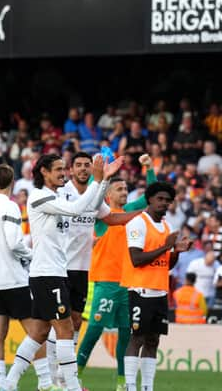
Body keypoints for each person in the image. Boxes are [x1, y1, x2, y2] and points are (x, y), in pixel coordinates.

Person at [3, 153, 122, 391]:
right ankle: (71, 386)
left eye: (62, 169)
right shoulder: (40, 197)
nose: (63, 173)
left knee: (38, 332)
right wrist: (98, 181)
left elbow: (87, 205)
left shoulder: (53, 196)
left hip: (50, 273)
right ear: (44, 172)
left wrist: (104, 180)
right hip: (49, 274)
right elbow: (78, 208)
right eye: (57, 169)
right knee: (66, 329)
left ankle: (8, 385)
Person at [48, 152, 140, 387]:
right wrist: (102, 182)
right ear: (71, 170)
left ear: (91, 169)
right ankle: (52, 376)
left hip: (82, 269)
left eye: (86, 165)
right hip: (59, 266)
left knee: (76, 322)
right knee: (57, 324)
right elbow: (80, 208)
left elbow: (112, 219)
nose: (82, 169)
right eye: (78, 165)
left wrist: (143, 215)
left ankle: (62, 376)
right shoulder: (62, 193)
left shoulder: (95, 198)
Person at [0, 164, 65, 391]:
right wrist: (33, 256)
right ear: (12, 182)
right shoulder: (11, 206)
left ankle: (1, 385)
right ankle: (45, 383)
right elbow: (14, 242)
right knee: (36, 332)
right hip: (13, 278)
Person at [77, 154, 157, 391]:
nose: (125, 192)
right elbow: (93, 196)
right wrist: (102, 174)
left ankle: (123, 382)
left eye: (126, 188)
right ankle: (74, 377)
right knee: (94, 329)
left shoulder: (130, 210)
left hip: (127, 284)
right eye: (120, 188)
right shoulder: (101, 215)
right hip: (104, 282)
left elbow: (150, 196)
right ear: (109, 194)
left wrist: (149, 168)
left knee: (126, 334)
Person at [121, 182, 193, 391]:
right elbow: (136, 259)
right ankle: (130, 386)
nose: (164, 203)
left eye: (167, 200)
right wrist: (166, 247)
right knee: (137, 338)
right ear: (150, 199)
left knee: (153, 340)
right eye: (160, 199)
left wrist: (177, 251)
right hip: (140, 289)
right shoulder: (138, 223)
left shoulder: (168, 227)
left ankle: (147, 387)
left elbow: (167, 264)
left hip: (160, 290)